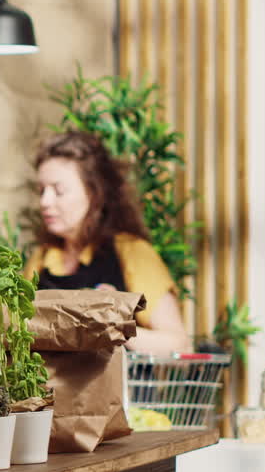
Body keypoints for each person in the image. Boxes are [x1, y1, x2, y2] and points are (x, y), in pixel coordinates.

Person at [25, 131, 191, 356]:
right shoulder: (42, 258)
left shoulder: (131, 251)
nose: (45, 202)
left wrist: (118, 327)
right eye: (41, 191)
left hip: (119, 391)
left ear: (95, 192)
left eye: (59, 190)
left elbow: (179, 345)